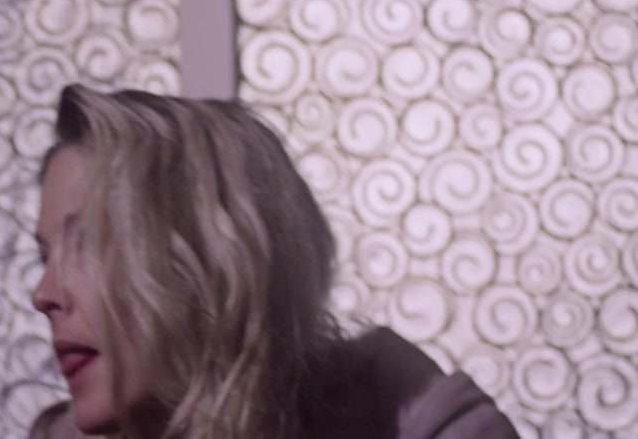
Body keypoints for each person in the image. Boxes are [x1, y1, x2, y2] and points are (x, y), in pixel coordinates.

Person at [28, 85, 517, 438]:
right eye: (45, 257)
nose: (43, 295)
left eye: (87, 245)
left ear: (211, 260)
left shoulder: (404, 417)